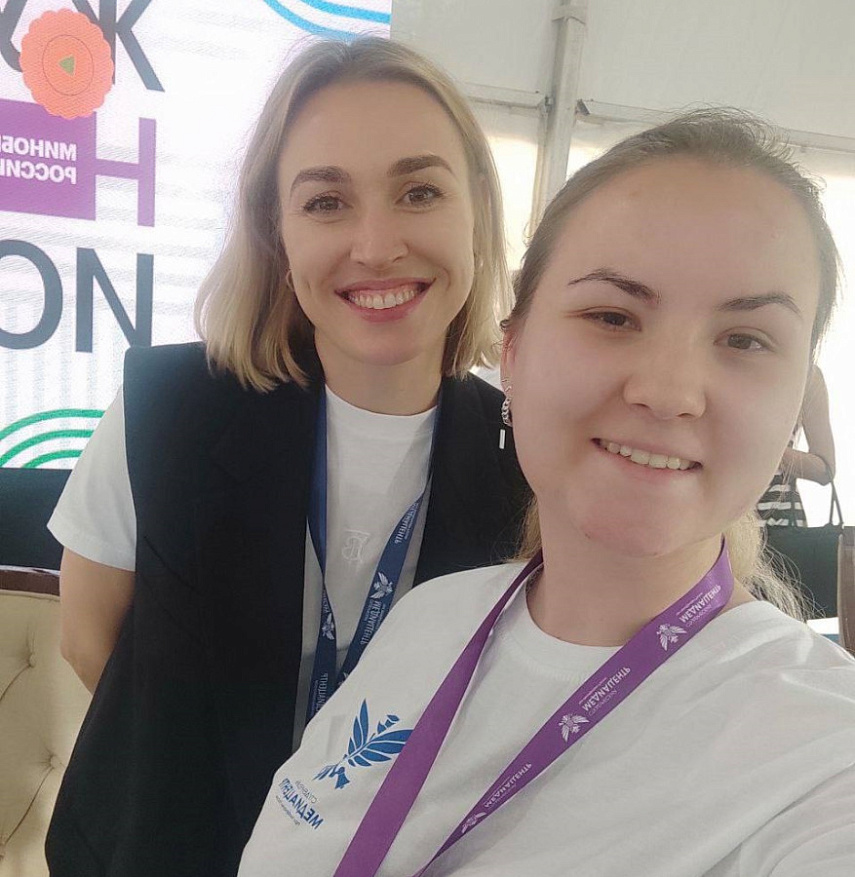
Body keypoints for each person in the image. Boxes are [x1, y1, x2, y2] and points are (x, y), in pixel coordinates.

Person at [239, 110, 855, 877]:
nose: (668, 391)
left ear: (796, 398)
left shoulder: (822, 758)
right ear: (514, 352)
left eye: (745, 340)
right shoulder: (431, 617)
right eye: (611, 316)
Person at [45, 37, 529, 877]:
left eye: (419, 191)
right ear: (277, 228)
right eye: (326, 202)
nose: (375, 245)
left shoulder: (528, 457)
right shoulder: (166, 407)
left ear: (476, 211)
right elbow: (91, 638)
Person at [756, 363, 836, 526]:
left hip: (781, 522)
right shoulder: (719, 364)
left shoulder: (807, 375)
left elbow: (825, 471)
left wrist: (764, 447)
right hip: (719, 521)